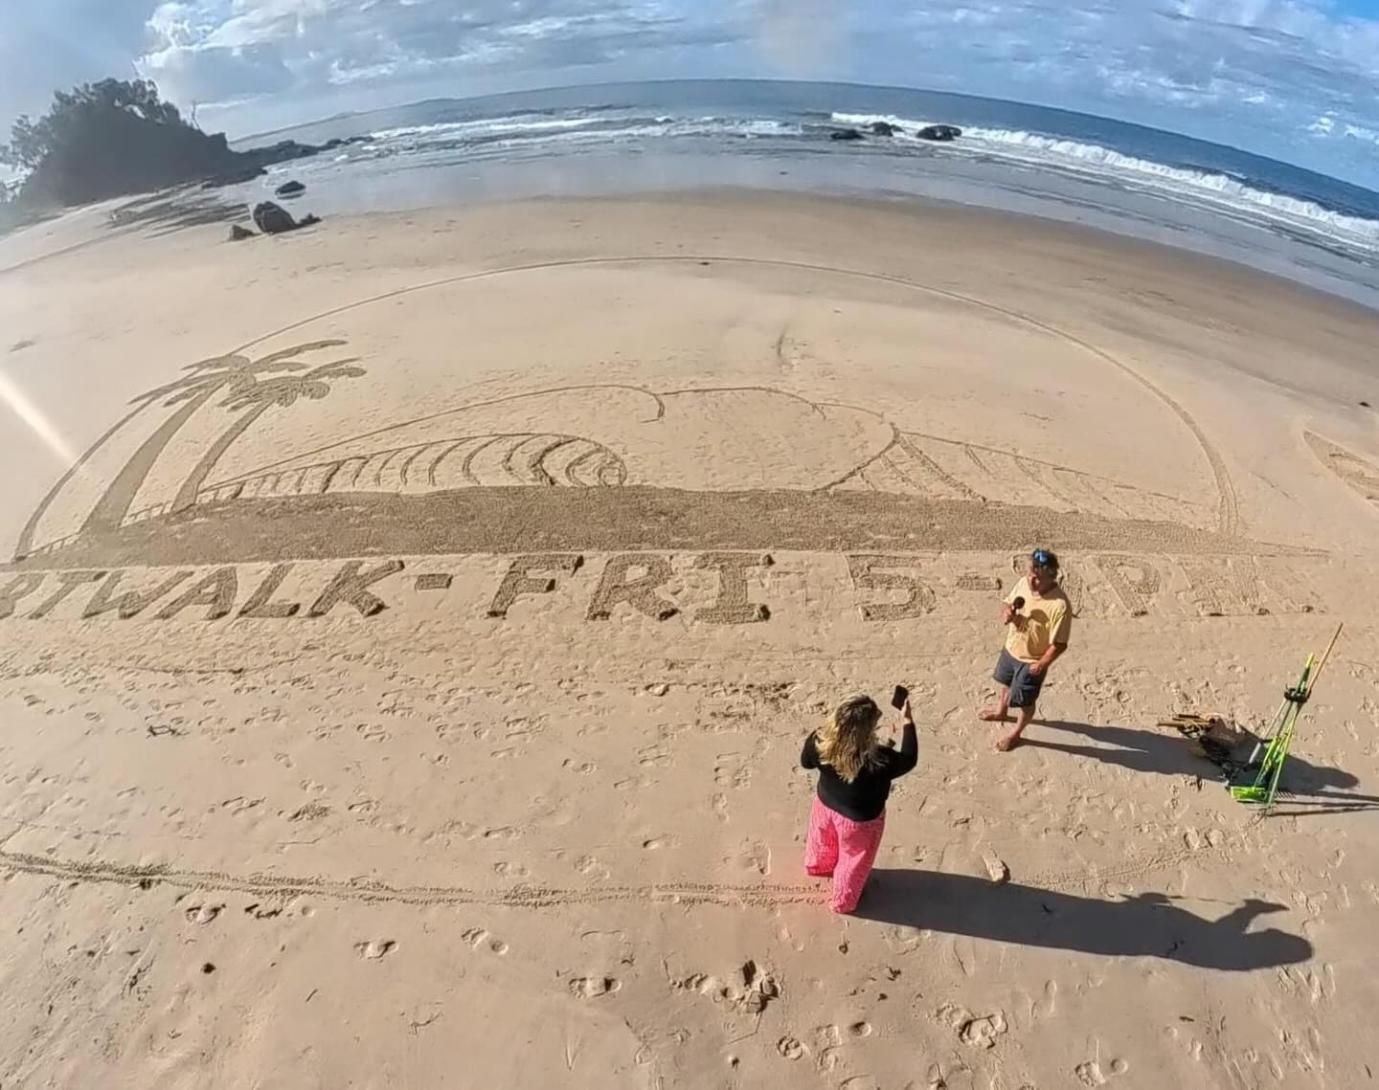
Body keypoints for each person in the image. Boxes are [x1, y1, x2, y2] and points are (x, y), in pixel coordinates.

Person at [801, 694, 918, 913]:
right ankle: (843, 901)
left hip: (825, 804)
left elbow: (806, 763)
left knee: (822, 839)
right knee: (853, 861)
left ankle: (818, 866)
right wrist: (907, 722)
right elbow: (909, 759)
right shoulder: (881, 759)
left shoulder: (819, 741)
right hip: (860, 821)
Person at [980, 548, 1071, 751]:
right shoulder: (1023, 583)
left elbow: (1060, 644)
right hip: (1011, 648)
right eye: (1030, 574)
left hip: (1032, 660)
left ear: (1051, 576)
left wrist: (1041, 664)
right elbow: (1007, 603)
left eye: (1037, 578)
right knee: (1005, 683)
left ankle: (1016, 734)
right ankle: (1001, 711)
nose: (1032, 581)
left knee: (1025, 701)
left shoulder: (1060, 605)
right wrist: (1007, 613)